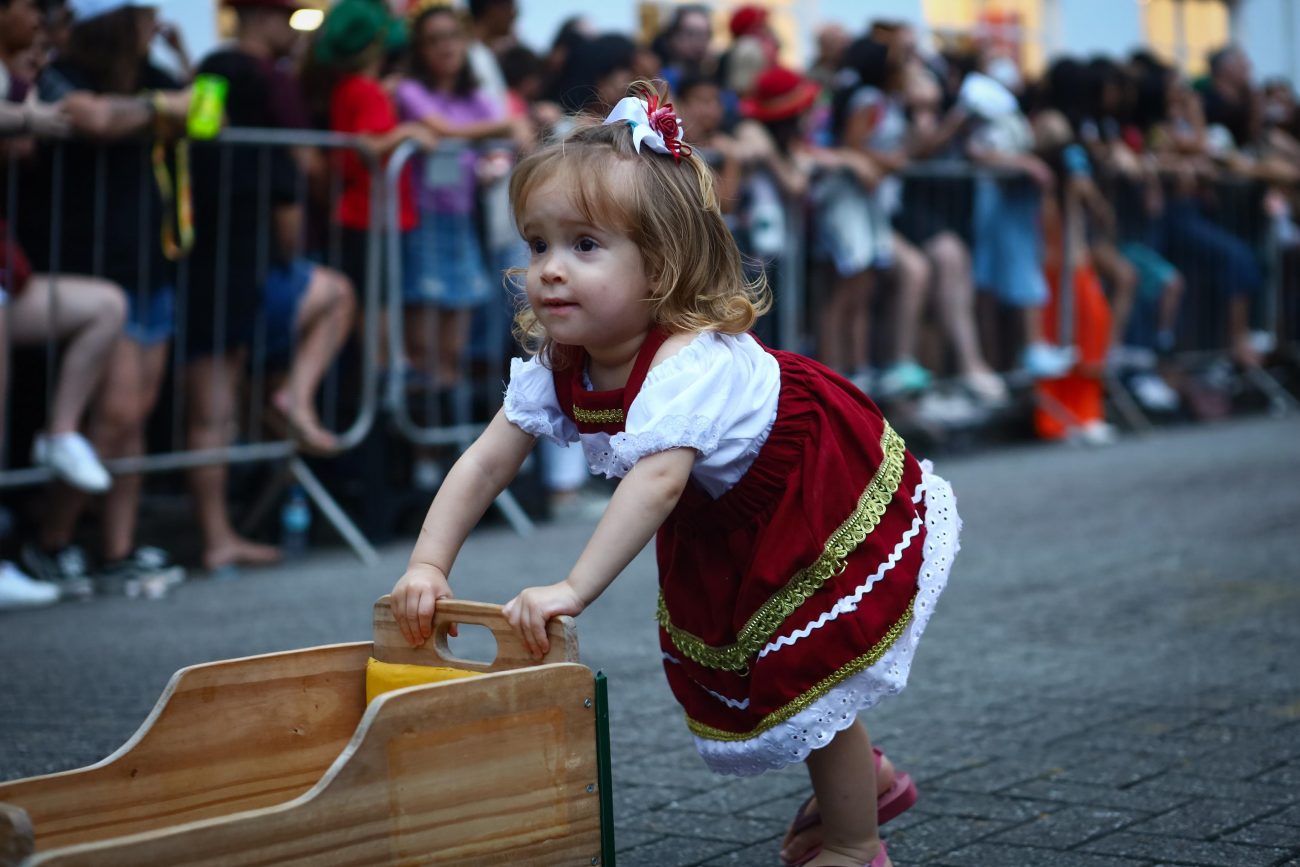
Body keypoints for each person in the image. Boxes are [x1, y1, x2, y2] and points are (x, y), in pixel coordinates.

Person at [389, 83, 959, 867]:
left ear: (659, 267)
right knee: (772, 670)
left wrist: (571, 588)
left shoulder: (685, 365)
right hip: (723, 513)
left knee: (813, 673)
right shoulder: (557, 362)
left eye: (585, 246)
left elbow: (654, 484)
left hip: (806, 482)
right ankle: (870, 778)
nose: (550, 270)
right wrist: (428, 562)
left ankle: (857, 843)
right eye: (537, 244)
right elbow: (486, 460)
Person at [18, 0, 191, 598]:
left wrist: (175, 73)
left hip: (153, 265)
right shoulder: (66, 69)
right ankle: (52, 543)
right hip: (94, 267)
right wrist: (157, 111)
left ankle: (117, 549)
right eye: (142, 14)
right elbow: (89, 117)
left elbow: (205, 108)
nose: (152, 23)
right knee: (111, 415)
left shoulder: (154, 73)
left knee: (133, 416)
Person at [185, 0, 357, 574]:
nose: (292, 30)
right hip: (236, 259)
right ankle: (217, 536)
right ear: (261, 16)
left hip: (216, 254)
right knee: (214, 409)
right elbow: (284, 171)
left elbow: (201, 130)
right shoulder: (249, 74)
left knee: (223, 405)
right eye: (286, 18)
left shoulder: (223, 69)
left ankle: (229, 528)